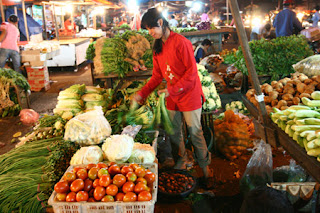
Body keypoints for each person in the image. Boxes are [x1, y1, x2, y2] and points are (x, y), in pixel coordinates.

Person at [133, 8, 213, 188]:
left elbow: (192, 74)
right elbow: (156, 76)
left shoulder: (181, 42)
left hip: (189, 94)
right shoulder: (157, 48)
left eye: (151, 28)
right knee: (174, 132)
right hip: (173, 96)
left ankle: (207, 171)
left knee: (195, 132)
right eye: (147, 29)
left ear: (160, 23)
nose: (150, 32)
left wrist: (172, 90)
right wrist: (142, 93)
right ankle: (182, 162)